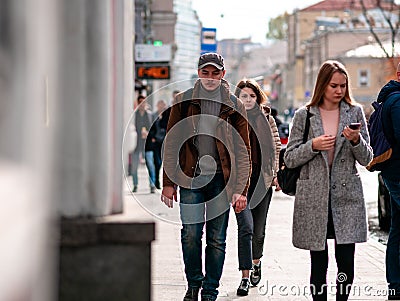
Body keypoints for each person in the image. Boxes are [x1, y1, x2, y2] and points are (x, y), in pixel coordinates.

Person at [160, 52, 251, 301]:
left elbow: (244, 151)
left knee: (216, 238)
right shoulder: (183, 101)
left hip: (222, 182)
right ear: (198, 73)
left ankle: (210, 290)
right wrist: (168, 183)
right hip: (191, 178)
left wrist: (241, 189)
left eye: (215, 73)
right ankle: (193, 284)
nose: (210, 78)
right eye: (205, 72)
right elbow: (171, 143)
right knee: (190, 234)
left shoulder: (235, 105)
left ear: (223, 74)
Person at [284, 60, 373, 301]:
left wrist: (356, 140)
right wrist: (313, 145)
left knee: (345, 264)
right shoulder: (305, 115)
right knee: (318, 264)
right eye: (334, 85)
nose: (339, 90)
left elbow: (367, 159)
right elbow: (290, 158)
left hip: (347, 197)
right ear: (322, 85)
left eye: (343, 85)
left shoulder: (354, 112)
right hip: (315, 196)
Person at [233, 78, 281, 296]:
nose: (249, 99)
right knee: (246, 229)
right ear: (238, 97)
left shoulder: (267, 118)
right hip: (240, 184)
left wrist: (275, 174)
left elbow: (276, 146)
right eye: (244, 96)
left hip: (262, 181)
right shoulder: (232, 118)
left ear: (258, 97)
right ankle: (244, 275)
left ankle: (256, 262)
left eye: (252, 95)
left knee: (258, 231)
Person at [376, 62, 400, 300]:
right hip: (398, 173)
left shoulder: (390, 98)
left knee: (396, 230)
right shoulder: (397, 101)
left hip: (393, 173)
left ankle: (395, 285)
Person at [131, 95, 156, 193]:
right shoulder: (134, 115)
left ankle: (152, 185)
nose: (142, 104)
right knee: (134, 166)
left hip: (147, 144)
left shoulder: (150, 115)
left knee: (150, 164)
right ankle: (135, 185)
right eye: (140, 102)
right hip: (136, 144)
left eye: (143, 102)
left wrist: (150, 135)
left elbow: (154, 128)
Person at [149, 99, 169, 189]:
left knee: (165, 162)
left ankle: (164, 182)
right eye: (160, 104)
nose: (162, 106)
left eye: (163, 105)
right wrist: (152, 137)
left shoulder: (168, 115)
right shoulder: (154, 115)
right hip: (156, 142)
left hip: (165, 141)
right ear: (157, 105)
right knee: (157, 162)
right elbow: (151, 127)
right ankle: (156, 180)